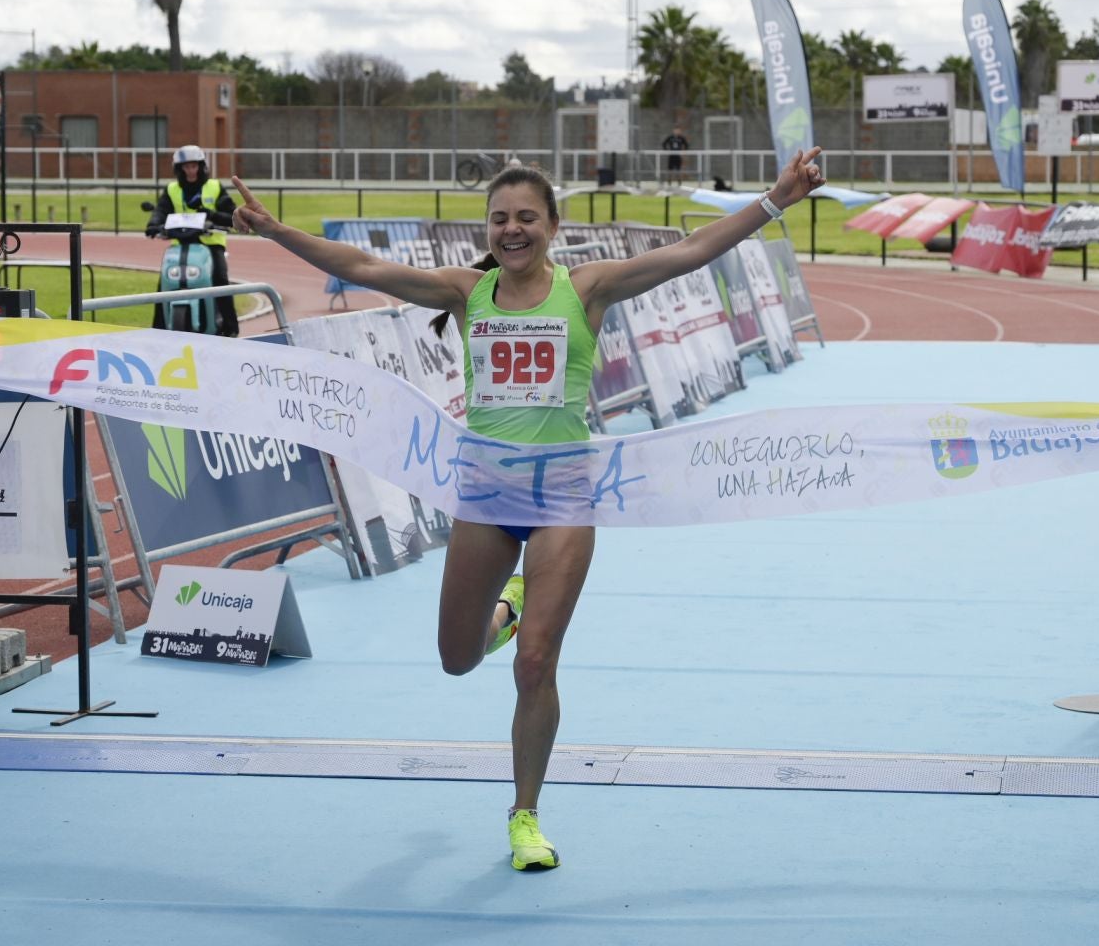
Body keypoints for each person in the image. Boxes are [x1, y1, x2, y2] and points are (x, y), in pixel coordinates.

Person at [228, 150, 826, 870]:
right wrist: (273, 231)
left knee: (537, 662)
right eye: (500, 219)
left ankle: (524, 815)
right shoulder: (464, 292)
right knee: (457, 659)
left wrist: (778, 198)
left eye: (526, 218)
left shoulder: (587, 289)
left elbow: (692, 251)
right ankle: (505, 613)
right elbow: (361, 267)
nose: (512, 230)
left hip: (566, 494)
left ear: (552, 225)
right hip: (485, 495)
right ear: (487, 230)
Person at [145, 144, 238, 336]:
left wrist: (212, 214)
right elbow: (161, 210)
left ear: (201, 166)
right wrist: (153, 225)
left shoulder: (214, 187)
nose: (191, 170)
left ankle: (230, 328)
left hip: (211, 243)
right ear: (179, 169)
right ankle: (158, 330)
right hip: (181, 243)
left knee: (220, 278)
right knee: (164, 282)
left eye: (194, 166)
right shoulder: (172, 189)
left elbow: (231, 214)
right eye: (186, 167)